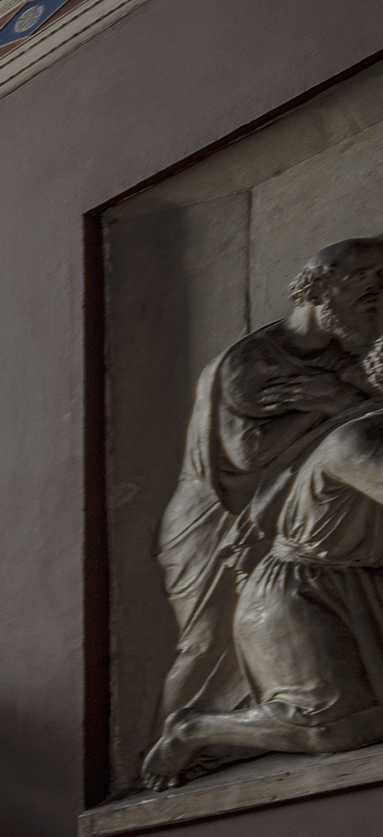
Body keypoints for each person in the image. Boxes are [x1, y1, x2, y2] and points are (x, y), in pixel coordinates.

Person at [142, 235, 383, 771]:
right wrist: (332, 404)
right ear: (322, 292)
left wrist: (339, 400)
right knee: (206, 645)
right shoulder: (250, 362)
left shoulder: (351, 362)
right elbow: (246, 455)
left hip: (311, 531)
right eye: (367, 292)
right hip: (210, 516)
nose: (378, 304)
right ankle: (180, 741)